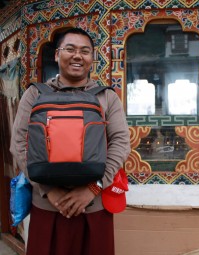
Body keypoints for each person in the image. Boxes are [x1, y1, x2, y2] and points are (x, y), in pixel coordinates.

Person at [10, 27, 131, 255]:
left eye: (85, 51)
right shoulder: (35, 94)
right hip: (46, 205)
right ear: (57, 54)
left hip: (94, 207)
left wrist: (93, 188)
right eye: (70, 49)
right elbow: (19, 144)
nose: (78, 56)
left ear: (92, 59)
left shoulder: (106, 96)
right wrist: (49, 191)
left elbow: (121, 143)